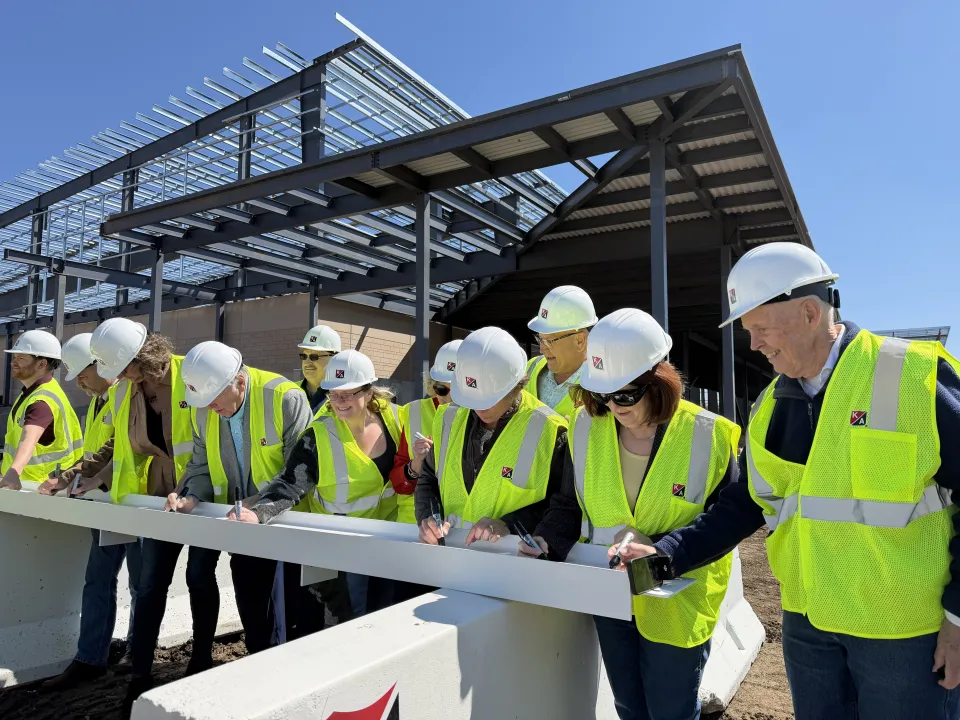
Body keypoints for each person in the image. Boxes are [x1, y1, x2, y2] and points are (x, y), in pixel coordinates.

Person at [616, 242, 960, 720]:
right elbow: (745, 504)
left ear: (808, 313)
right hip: (808, 626)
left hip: (902, 633)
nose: (753, 345)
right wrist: (668, 553)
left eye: (759, 328)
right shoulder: (770, 408)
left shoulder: (913, 375)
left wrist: (958, 618)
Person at [521, 308, 740, 720]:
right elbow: (569, 504)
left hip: (678, 604)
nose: (613, 406)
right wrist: (548, 540)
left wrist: (662, 550)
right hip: (612, 596)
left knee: (671, 711)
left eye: (624, 395)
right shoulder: (586, 426)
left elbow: (722, 524)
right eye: (603, 394)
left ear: (658, 382)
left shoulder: (708, 436)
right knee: (628, 707)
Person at [84, 319, 209, 710]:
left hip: (205, 493)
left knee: (200, 576)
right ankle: (140, 673)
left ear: (143, 358)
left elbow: (217, 433)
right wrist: (85, 476)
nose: (117, 377)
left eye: (123, 367)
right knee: (151, 583)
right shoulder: (126, 390)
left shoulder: (193, 373)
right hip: (158, 498)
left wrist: (192, 490)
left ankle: (201, 661)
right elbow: (116, 444)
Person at [230, 350, 402, 618]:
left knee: (385, 614)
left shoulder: (396, 419)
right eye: (333, 393)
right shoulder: (319, 435)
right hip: (341, 550)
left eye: (347, 393)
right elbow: (290, 482)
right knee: (351, 622)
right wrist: (260, 511)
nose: (338, 401)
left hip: (388, 540)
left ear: (368, 392)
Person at [167, 341, 312, 653]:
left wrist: (259, 506)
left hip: (283, 524)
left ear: (240, 381)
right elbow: (201, 465)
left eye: (213, 398)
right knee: (253, 611)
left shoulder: (286, 399)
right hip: (240, 525)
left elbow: (299, 473)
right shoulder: (203, 411)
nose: (208, 408)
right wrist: (191, 496)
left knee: (285, 617)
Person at [37, 333, 143, 689]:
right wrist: (68, 477)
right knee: (98, 580)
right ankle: (90, 657)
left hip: (132, 501)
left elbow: (119, 448)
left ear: (100, 365)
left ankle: (136, 650)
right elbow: (95, 453)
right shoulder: (100, 402)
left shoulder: (123, 395)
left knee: (140, 583)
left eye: (81, 373)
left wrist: (79, 477)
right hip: (103, 505)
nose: (79, 381)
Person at [414, 327, 567, 548]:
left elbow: (562, 506)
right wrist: (428, 516)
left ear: (516, 386)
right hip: (450, 556)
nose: (478, 407)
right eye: (472, 397)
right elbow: (429, 476)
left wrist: (510, 524)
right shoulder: (448, 418)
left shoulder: (551, 431)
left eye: (488, 399)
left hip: (512, 564)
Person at [0, 330, 83, 489]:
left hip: (37, 487)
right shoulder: (31, 392)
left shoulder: (42, 400)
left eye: (21, 358)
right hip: (31, 485)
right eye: (15, 357)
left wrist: (14, 471)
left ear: (42, 363)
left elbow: (28, 439)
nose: (13, 362)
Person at [392, 339, 461, 525]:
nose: (449, 398)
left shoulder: (485, 415)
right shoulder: (415, 412)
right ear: (432, 385)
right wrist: (416, 464)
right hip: (414, 523)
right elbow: (399, 484)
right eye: (441, 389)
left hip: (462, 523)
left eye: (458, 390)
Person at [523, 285, 598, 419]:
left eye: (549, 341)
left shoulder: (600, 385)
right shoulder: (530, 368)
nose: (541, 349)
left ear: (579, 340)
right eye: (540, 339)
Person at [298, 324, 341, 415]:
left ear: (334, 358)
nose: (307, 362)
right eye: (304, 356)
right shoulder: (289, 390)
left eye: (314, 356)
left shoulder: (346, 397)